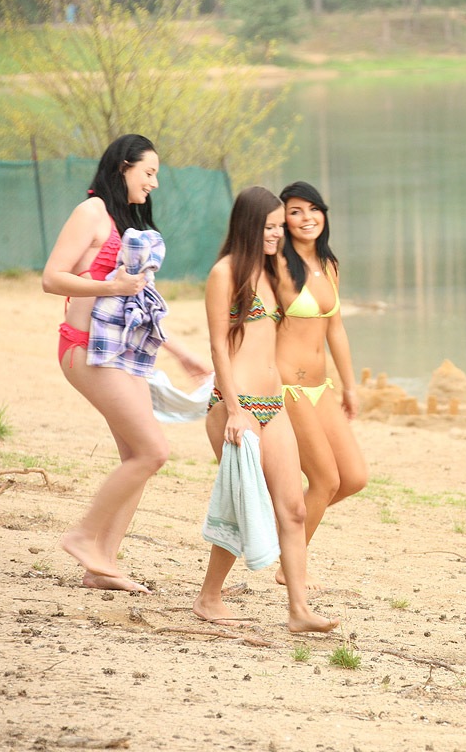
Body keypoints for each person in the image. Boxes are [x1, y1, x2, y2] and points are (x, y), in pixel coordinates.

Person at [42, 134, 209, 593]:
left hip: (122, 354)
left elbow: (139, 304)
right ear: (123, 167)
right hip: (85, 349)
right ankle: (83, 537)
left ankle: (103, 567)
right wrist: (110, 287)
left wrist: (180, 352)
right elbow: (52, 278)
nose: (154, 183)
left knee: (137, 456)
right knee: (154, 451)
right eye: (148, 172)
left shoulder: (126, 224)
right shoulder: (91, 212)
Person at [193, 185, 338, 633]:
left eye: (279, 226)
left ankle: (299, 611)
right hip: (235, 405)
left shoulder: (274, 272)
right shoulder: (225, 273)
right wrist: (235, 409)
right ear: (249, 225)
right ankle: (209, 598)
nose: (277, 234)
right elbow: (218, 346)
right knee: (245, 505)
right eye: (270, 227)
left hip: (274, 405)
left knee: (293, 509)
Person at [271, 181, 367, 586]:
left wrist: (349, 386)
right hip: (287, 386)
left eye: (313, 209)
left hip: (320, 387)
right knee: (325, 480)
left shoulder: (329, 264)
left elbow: (336, 329)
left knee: (354, 478)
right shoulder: (276, 264)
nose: (306, 218)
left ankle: (283, 529)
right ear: (283, 220)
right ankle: (290, 564)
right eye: (295, 211)